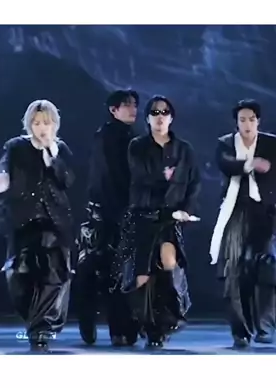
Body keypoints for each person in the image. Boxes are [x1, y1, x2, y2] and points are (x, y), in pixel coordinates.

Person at [0, 99, 75, 353]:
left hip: (54, 221)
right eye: (36, 123)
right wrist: (3, 177)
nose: (41, 128)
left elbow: (68, 180)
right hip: (23, 221)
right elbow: (4, 164)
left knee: (53, 273)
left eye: (46, 123)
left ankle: (41, 330)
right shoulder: (16, 146)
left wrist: (52, 157)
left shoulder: (60, 149)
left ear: (54, 124)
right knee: (18, 275)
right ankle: (36, 321)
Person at [112, 95, 200, 349]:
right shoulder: (137, 146)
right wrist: (165, 176)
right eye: (155, 113)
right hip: (143, 216)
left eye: (164, 112)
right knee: (141, 276)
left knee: (169, 261)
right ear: (148, 118)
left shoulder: (184, 149)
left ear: (171, 117)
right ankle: (147, 326)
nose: (160, 117)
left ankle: (169, 319)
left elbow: (194, 183)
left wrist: (186, 210)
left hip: (170, 218)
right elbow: (140, 177)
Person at [210, 99, 276, 348]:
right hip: (236, 210)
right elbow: (226, 164)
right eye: (242, 120)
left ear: (258, 121)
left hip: (267, 211)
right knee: (232, 268)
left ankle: (264, 326)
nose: (247, 124)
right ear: (236, 123)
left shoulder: (271, 144)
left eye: (251, 119)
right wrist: (250, 164)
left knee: (266, 266)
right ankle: (240, 330)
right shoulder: (226, 143)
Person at [77, 89, 139, 346]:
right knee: (106, 271)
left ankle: (118, 328)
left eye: (134, 104)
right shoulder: (108, 137)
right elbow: (109, 178)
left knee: (114, 272)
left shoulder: (128, 136)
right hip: (108, 215)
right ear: (114, 110)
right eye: (127, 105)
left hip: (118, 213)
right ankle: (110, 327)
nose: (132, 109)